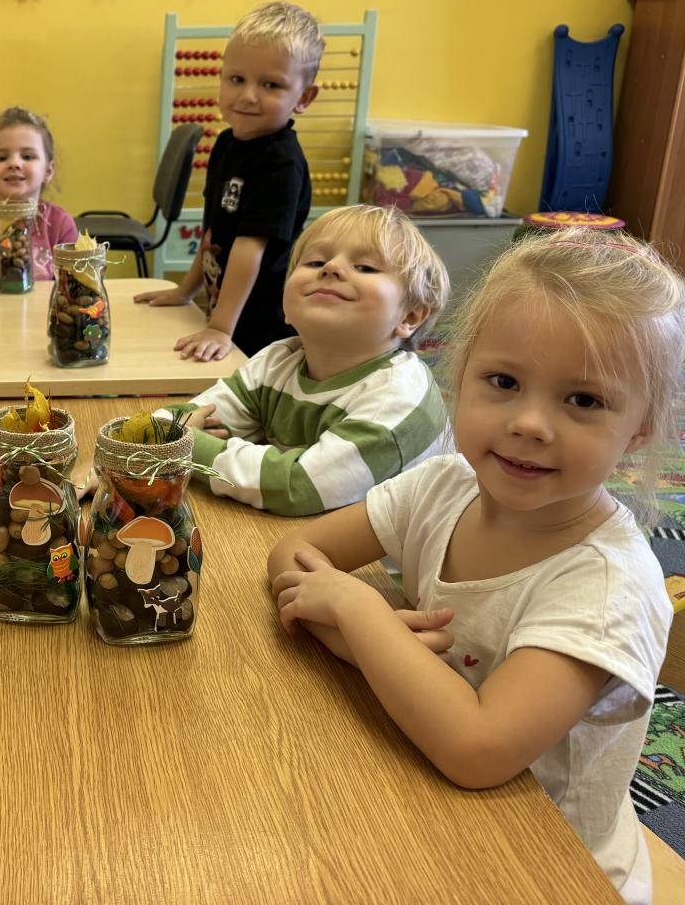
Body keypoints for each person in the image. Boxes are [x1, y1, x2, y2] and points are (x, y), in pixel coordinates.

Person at [267, 228, 685, 903]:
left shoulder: (606, 586)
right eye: (504, 382)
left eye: (583, 400)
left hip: (545, 865)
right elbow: (294, 554)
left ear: (640, 428)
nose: (530, 423)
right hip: (420, 789)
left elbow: (478, 750)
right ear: (459, 377)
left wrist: (360, 612)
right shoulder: (444, 485)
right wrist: (370, 643)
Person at [160, 205, 449, 515]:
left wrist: (183, 445)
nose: (331, 268)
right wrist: (167, 437)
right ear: (286, 305)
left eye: (365, 267)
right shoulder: (278, 360)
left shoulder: (397, 396)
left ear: (409, 316)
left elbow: (298, 486)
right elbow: (174, 421)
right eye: (315, 262)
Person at [135, 1, 323, 359]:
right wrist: (186, 292)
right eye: (237, 79)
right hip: (228, 312)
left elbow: (250, 248)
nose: (248, 96)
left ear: (304, 98)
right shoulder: (226, 143)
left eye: (271, 84)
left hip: (262, 326)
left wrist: (220, 327)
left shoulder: (281, 163)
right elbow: (213, 232)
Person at [0, 106, 78, 283]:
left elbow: (71, 288)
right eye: (1, 158)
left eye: (27, 157)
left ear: (48, 170)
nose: (14, 163)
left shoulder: (62, 225)